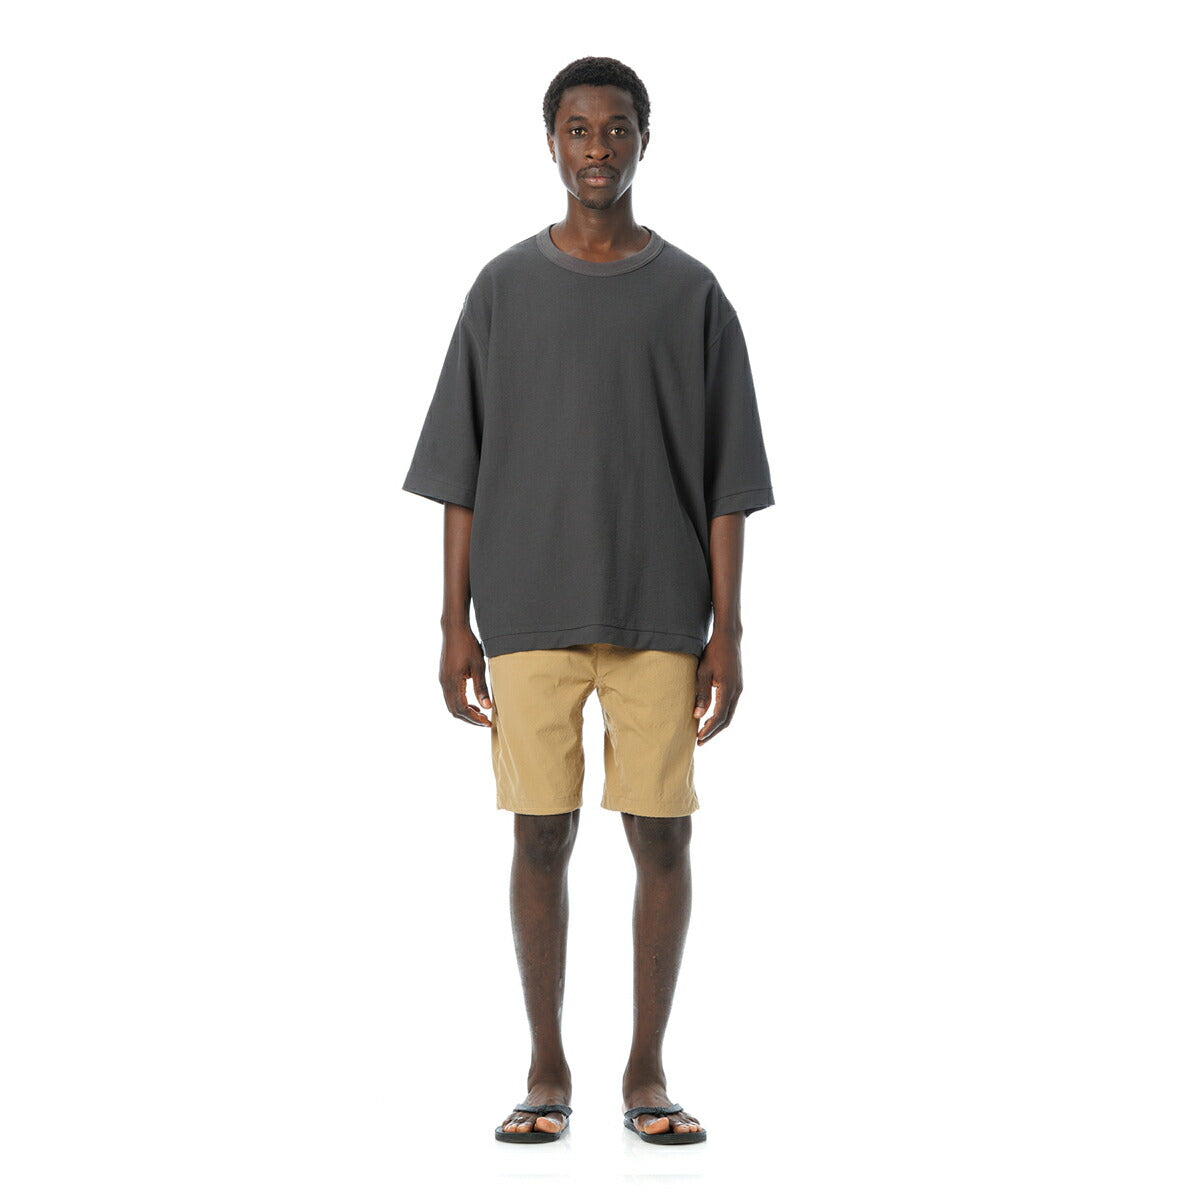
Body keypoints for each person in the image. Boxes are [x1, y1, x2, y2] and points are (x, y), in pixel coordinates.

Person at [402, 56, 775, 1145]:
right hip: (526, 613)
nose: (597, 149)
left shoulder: (692, 294)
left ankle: (647, 1070)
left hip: (659, 610)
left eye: (616, 129)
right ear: (551, 144)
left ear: (644, 141)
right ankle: (546, 1066)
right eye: (578, 130)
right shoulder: (501, 290)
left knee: (662, 836)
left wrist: (729, 634)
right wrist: (452, 626)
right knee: (540, 835)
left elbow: (729, 483)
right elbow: (459, 473)